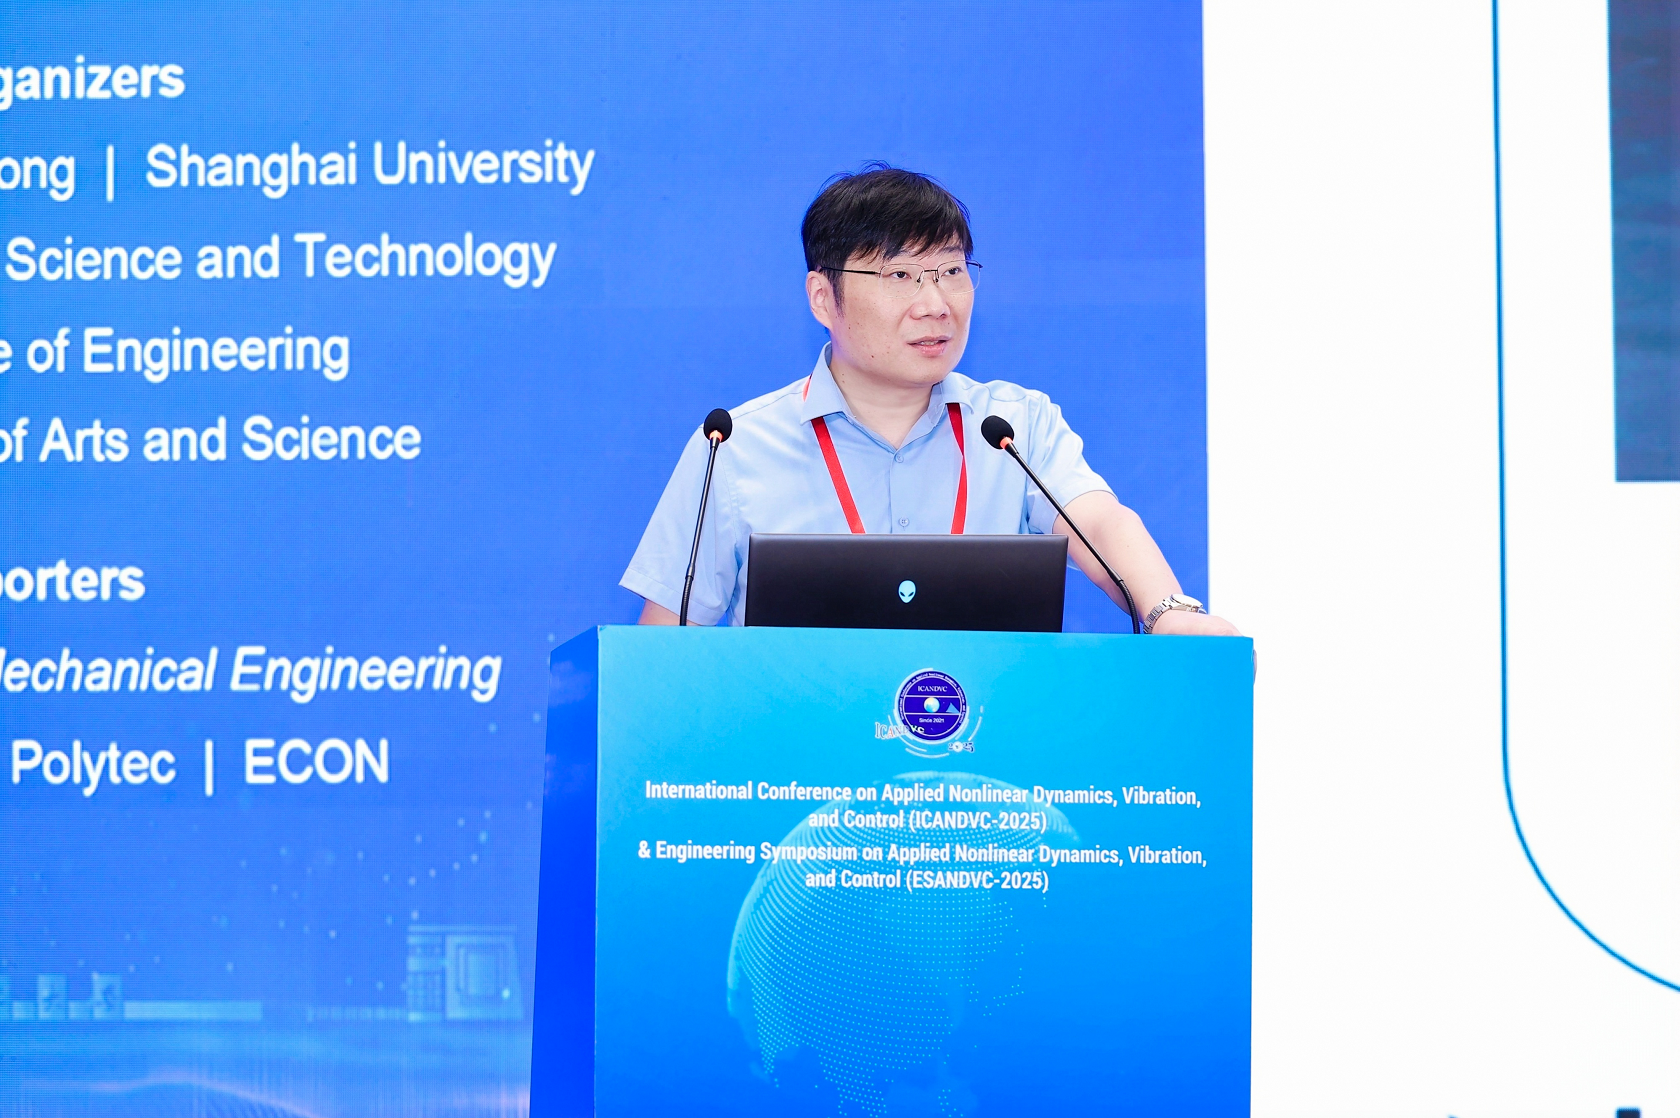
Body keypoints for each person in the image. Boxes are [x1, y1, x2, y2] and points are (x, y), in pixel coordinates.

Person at [623, 164, 1240, 636]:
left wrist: (1169, 611)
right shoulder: (733, 447)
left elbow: (1099, 522)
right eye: (900, 276)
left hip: (979, 757)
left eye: (951, 272)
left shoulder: (1012, 427)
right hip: (795, 759)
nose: (935, 304)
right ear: (823, 298)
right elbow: (660, 659)